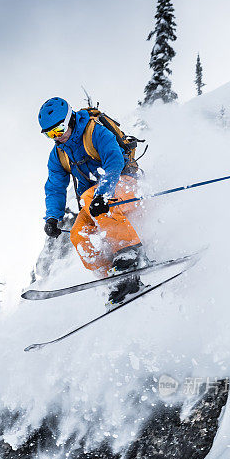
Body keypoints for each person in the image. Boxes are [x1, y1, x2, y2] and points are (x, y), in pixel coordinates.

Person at [39, 97, 145, 305]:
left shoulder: (94, 131)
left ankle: (128, 254)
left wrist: (102, 193)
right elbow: (55, 187)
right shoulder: (59, 154)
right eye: (51, 134)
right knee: (78, 234)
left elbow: (114, 160)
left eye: (59, 129)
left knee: (90, 198)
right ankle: (114, 278)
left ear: (69, 120)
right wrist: (52, 216)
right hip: (96, 202)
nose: (57, 137)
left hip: (126, 185)